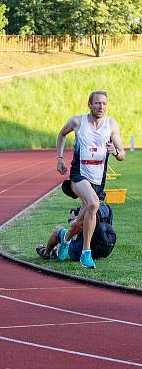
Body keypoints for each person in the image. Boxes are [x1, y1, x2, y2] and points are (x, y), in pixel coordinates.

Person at [55, 90, 125, 269]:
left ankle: (65, 237)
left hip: (97, 180)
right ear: (89, 104)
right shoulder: (78, 121)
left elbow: (121, 154)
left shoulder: (111, 125)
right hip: (79, 175)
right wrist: (60, 158)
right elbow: (62, 134)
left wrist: (115, 151)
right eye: (97, 103)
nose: (101, 106)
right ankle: (86, 253)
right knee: (94, 204)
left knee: (81, 221)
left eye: (104, 103)